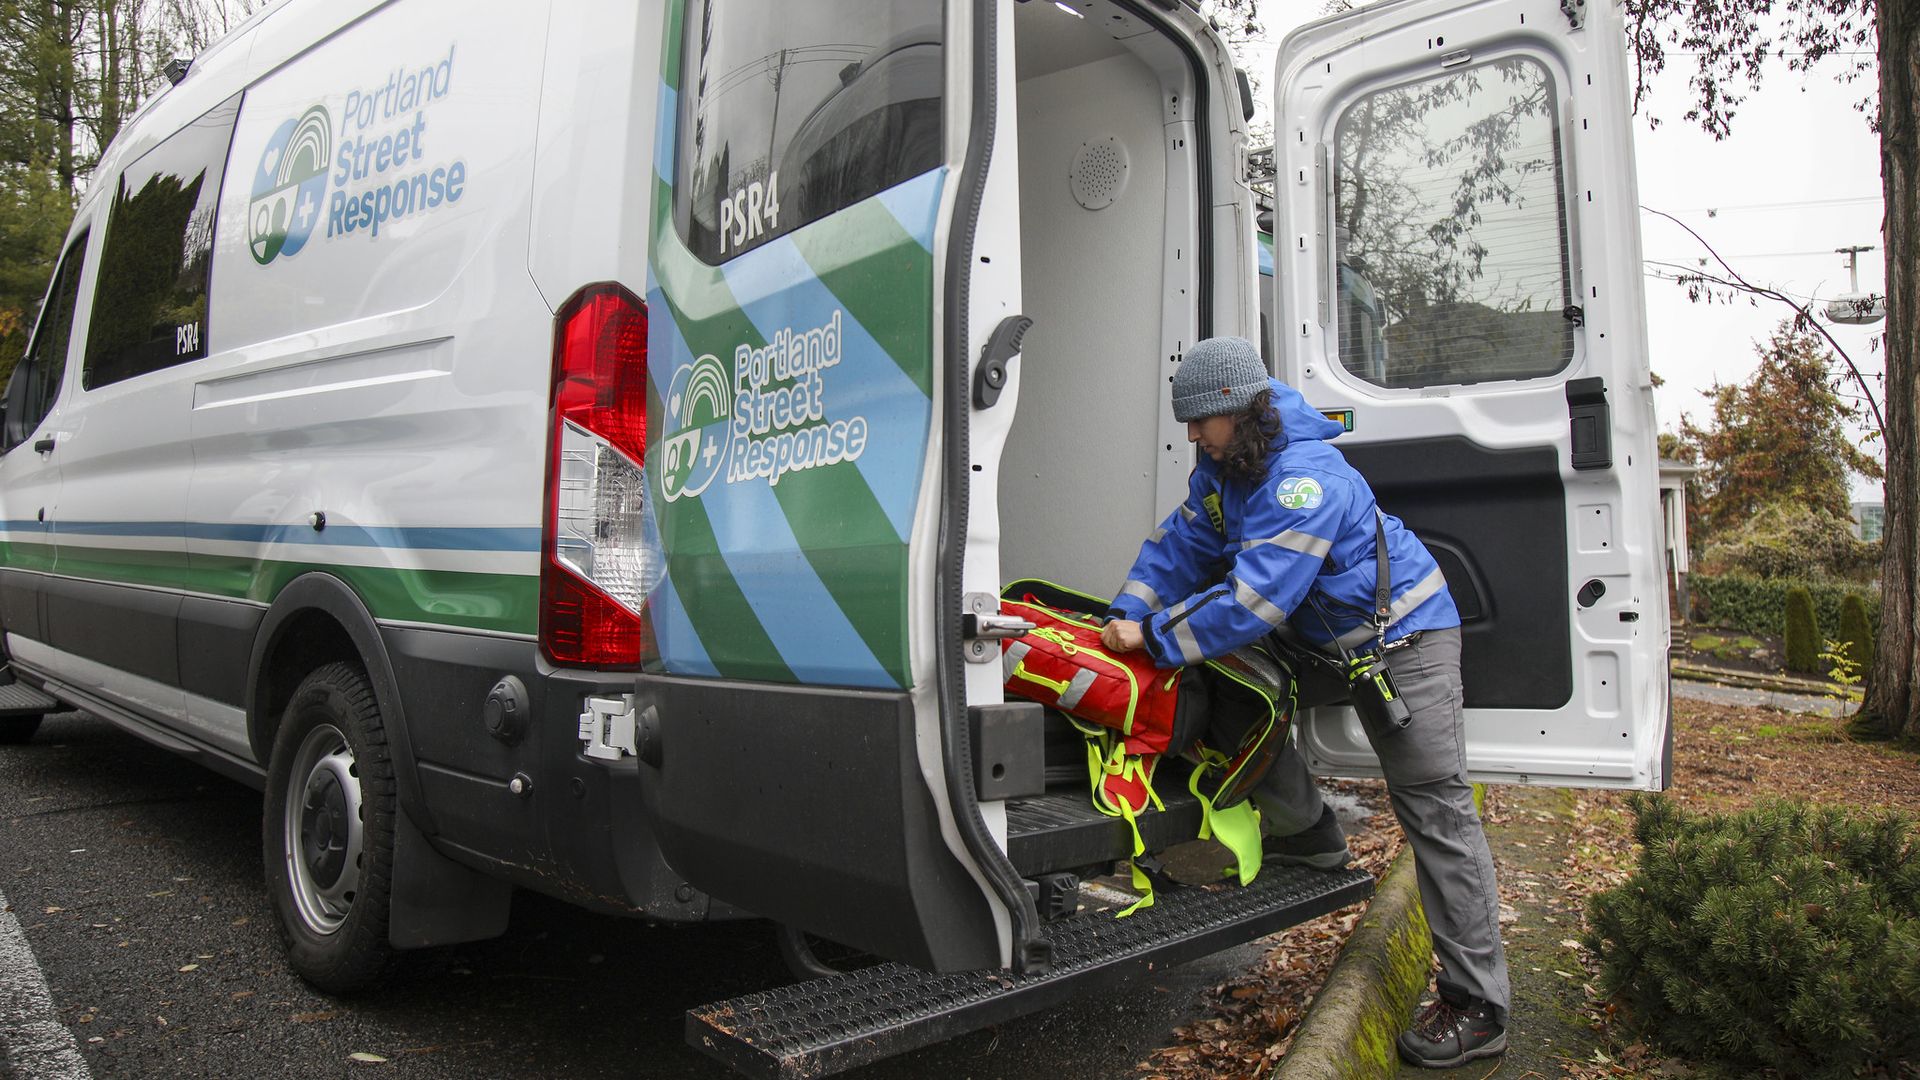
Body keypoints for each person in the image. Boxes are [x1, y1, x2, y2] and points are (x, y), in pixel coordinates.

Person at [1097, 335, 1510, 1069]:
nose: (1191, 435)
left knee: (1435, 811)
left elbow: (1253, 602)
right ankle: (1308, 835)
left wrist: (1150, 636)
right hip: (1318, 637)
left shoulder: (1302, 478)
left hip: (1403, 641)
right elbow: (1180, 547)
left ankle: (1479, 1004)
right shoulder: (1226, 463)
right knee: (1223, 690)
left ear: (1239, 409)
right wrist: (1119, 619)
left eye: (1199, 421)